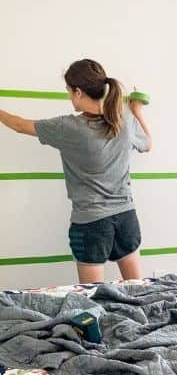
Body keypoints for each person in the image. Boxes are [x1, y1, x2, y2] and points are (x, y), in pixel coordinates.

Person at [0, 59, 152, 283]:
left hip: (91, 224)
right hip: (126, 217)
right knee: (138, 290)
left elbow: (20, 125)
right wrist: (136, 110)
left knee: (92, 302)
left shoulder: (67, 128)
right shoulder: (124, 118)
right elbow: (147, 144)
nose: (70, 97)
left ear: (79, 92)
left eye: (70, 92)